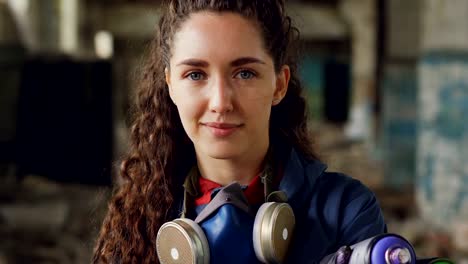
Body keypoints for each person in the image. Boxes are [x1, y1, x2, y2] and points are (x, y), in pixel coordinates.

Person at [92, 0, 386, 263]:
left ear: (279, 85)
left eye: (245, 73)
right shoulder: (139, 222)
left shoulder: (347, 210)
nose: (220, 102)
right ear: (170, 85)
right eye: (195, 74)